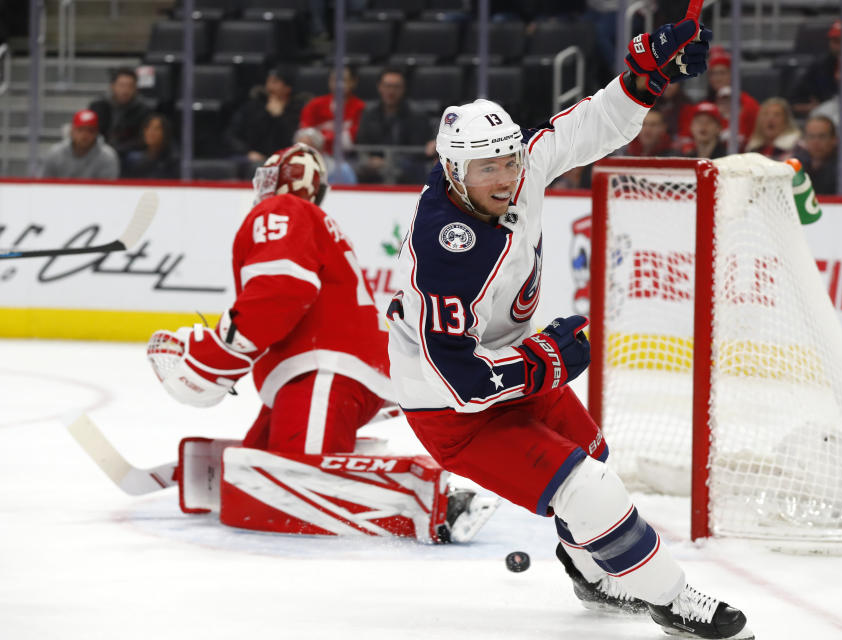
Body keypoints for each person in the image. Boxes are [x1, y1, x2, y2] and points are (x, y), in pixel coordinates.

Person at [386, 18, 752, 640]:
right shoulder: (445, 251)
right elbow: (463, 383)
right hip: (450, 406)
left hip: (509, 361)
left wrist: (645, 74)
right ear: (452, 174)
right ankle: (673, 602)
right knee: (590, 488)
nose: (505, 178)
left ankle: (590, 574)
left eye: (508, 160)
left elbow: (585, 127)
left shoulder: (517, 171)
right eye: (486, 171)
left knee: (593, 457)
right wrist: (548, 360)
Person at [146, 143, 496, 542]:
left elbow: (281, 291)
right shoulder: (314, 219)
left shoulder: (281, 210)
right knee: (258, 465)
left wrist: (216, 355)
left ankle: (439, 503)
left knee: (294, 486)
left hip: (324, 374)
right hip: (325, 376)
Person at [354, 67, 435, 184]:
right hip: (374, 168)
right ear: (379, 87)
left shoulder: (417, 115)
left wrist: (388, 162)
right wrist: (369, 160)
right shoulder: (369, 113)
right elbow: (362, 144)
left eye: (396, 87)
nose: (391, 91)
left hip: (407, 169)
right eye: (387, 86)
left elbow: (418, 152)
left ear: (403, 89)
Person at [225, 67, 305, 176]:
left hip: (284, 159)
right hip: (251, 157)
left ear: (287, 88)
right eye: (268, 81)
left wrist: (279, 117)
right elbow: (231, 135)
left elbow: (295, 140)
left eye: (275, 82)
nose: (270, 86)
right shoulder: (252, 107)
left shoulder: (297, 109)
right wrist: (248, 152)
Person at [299, 66, 365, 158]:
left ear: (353, 82)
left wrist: (320, 137)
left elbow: (348, 142)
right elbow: (304, 137)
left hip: (348, 159)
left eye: (343, 80)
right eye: (334, 79)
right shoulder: (314, 105)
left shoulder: (360, 107)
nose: (338, 84)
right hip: (315, 157)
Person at [88, 67, 151, 159]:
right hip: (100, 150)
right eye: (121, 85)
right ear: (112, 86)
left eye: (130, 86)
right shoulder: (98, 106)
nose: (125, 91)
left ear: (136, 88)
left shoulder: (143, 109)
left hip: (128, 151)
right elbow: (92, 132)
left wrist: (118, 149)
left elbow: (142, 139)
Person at [39, 109, 120, 179]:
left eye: (90, 130)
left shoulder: (108, 157)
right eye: (80, 130)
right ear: (72, 131)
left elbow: (107, 189)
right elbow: (44, 183)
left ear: (96, 133)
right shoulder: (55, 153)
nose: (85, 135)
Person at [792, 115, 842, 195]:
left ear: (834, 140)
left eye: (822, 137)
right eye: (811, 136)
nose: (816, 142)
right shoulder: (797, 165)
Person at [705, 46, 758, 144]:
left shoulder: (747, 103)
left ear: (732, 74)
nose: (717, 78)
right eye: (713, 73)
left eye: (722, 73)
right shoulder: (705, 105)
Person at [121, 113, 180, 179]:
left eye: (156, 129)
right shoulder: (132, 156)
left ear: (165, 133)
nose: (151, 132)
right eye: (148, 128)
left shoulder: (172, 160)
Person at [744, 97, 802, 161]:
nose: (770, 119)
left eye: (777, 115)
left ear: (786, 120)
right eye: (766, 114)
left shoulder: (796, 148)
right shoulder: (752, 149)